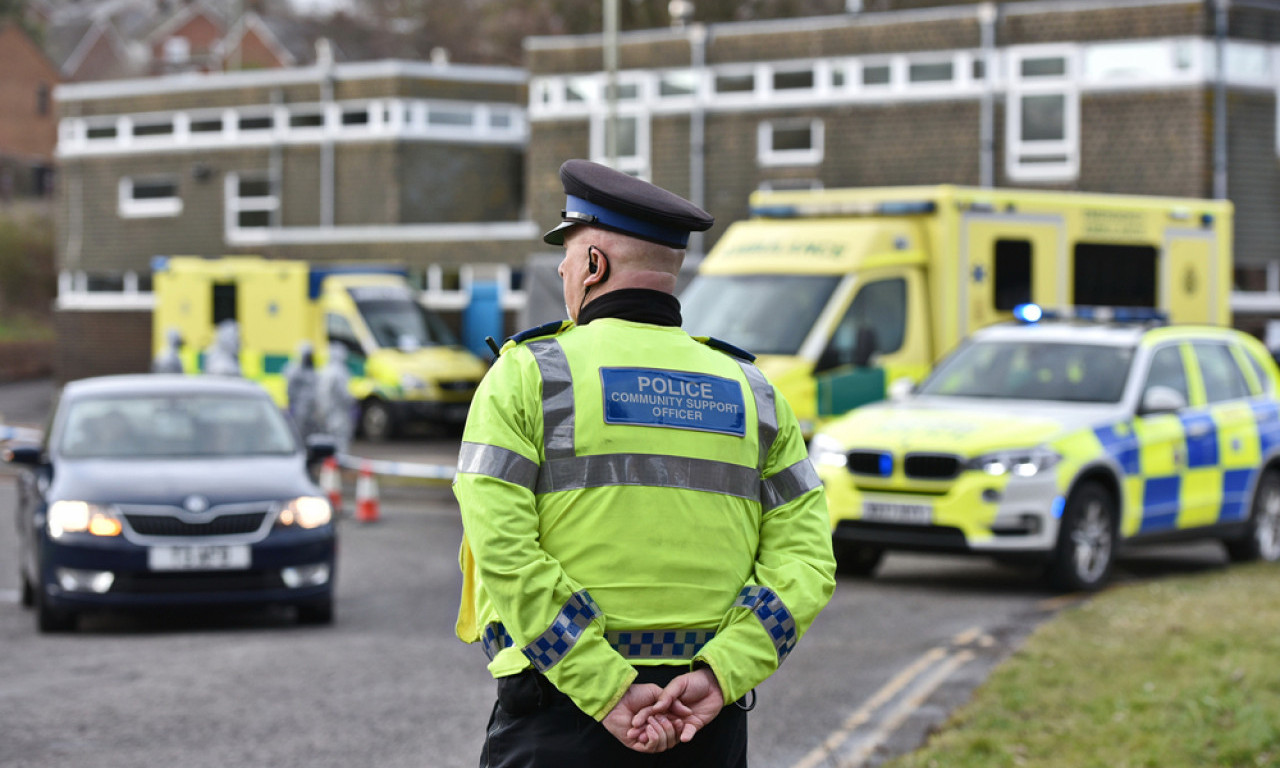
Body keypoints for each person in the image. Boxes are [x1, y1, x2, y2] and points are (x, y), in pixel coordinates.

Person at [454, 159, 836, 766]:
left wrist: (605, 688)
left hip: (560, 709)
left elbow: (503, 549)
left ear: (595, 266)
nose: (562, 269)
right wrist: (721, 675)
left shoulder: (529, 375)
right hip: (701, 722)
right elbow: (807, 561)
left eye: (570, 254)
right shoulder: (753, 390)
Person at [316, 341, 355, 453]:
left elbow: (320, 394)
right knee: (340, 439)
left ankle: (331, 463)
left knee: (329, 439)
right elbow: (344, 395)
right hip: (339, 413)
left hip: (327, 413)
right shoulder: (340, 372)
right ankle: (340, 462)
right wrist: (352, 400)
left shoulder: (324, 370)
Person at [284, 341, 321, 441]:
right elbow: (290, 389)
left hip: (311, 408)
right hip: (299, 407)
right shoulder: (295, 370)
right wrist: (292, 403)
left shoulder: (312, 369)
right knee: (298, 430)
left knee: (311, 431)